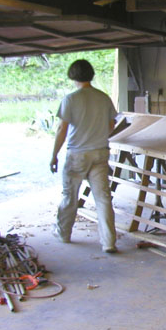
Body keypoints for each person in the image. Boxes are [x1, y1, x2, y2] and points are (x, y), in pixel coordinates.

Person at [50, 59, 118, 253]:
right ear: (91, 75)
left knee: (70, 196)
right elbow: (111, 125)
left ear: (72, 76)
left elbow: (62, 129)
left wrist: (54, 155)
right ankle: (109, 242)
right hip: (100, 152)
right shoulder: (103, 98)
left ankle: (63, 234)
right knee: (103, 199)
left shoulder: (70, 99)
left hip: (77, 154)